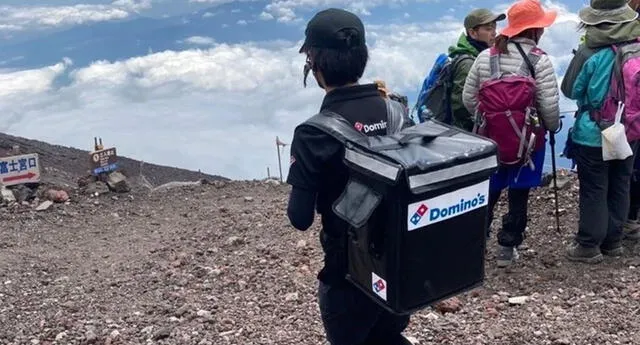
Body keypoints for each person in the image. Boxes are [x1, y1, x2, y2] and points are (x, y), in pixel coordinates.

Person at [286, 8, 415, 345]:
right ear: (362, 57)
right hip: (400, 267)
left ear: (314, 65)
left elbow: (299, 218)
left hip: (347, 275)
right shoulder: (397, 111)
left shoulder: (314, 134)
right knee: (387, 337)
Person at [462, 0, 560, 267]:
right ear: (535, 30)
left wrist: (487, 119)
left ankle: (474, 245)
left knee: (488, 192)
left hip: (491, 138)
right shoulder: (539, 59)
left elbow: (468, 98)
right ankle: (507, 247)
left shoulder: (486, 57)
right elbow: (549, 105)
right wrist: (551, 127)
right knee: (519, 193)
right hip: (527, 142)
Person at [561, 0, 640, 263]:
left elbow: (570, 90)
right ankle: (613, 242)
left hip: (593, 132)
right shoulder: (637, 46)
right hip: (630, 129)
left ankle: (588, 246)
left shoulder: (588, 51)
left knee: (595, 188)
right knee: (621, 182)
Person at [448, 8, 505, 131]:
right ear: (473, 33)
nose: (494, 33)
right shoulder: (468, 64)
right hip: (466, 137)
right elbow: (461, 108)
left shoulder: (479, 57)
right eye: (488, 29)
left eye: (494, 28)